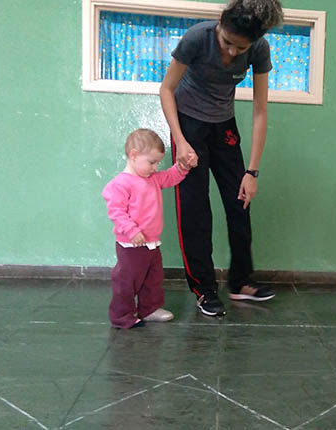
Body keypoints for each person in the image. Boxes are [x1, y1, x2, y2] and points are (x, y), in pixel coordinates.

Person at [159, 0, 283, 316]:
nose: (231, 53)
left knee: (240, 201)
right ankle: (204, 289)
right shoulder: (196, 38)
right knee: (195, 209)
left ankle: (241, 282)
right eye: (227, 42)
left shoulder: (259, 49)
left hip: (223, 124)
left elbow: (260, 110)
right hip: (188, 124)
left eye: (240, 48)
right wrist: (181, 141)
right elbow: (167, 89)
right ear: (219, 24)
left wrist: (252, 172)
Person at [102, 129, 194, 328]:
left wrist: (183, 166)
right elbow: (117, 212)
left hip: (152, 242)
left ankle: (150, 308)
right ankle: (121, 315)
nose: (155, 167)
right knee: (127, 281)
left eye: (157, 163)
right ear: (134, 155)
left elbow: (170, 177)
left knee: (153, 278)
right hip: (131, 244)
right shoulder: (120, 184)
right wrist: (132, 231)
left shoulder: (152, 178)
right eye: (152, 162)